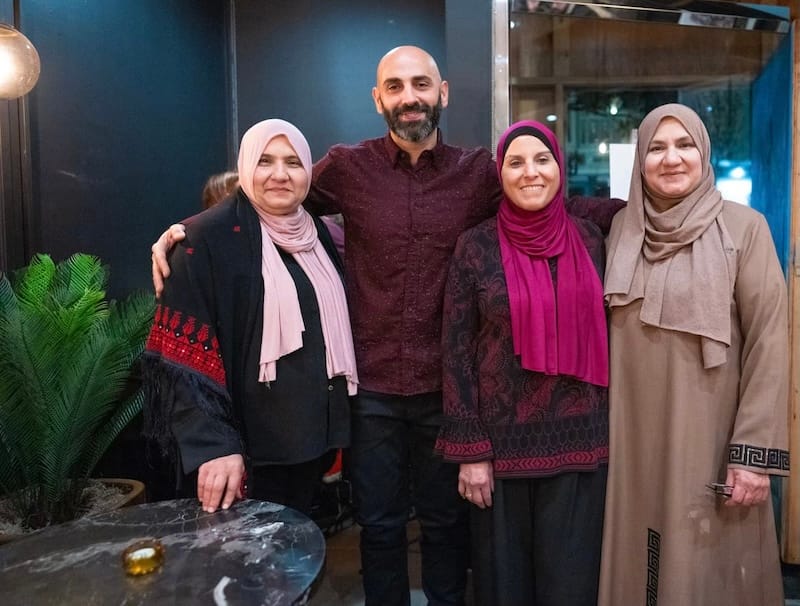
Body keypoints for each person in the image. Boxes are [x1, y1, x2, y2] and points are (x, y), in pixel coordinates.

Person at [599, 103, 789, 606]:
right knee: (640, 559)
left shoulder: (744, 229)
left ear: (704, 154)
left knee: (706, 566)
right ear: (640, 160)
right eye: (657, 148)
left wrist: (751, 455)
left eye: (684, 145)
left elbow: (770, 343)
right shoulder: (621, 230)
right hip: (632, 441)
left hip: (710, 435)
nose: (672, 158)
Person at [435, 120, 621, 606]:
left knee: (572, 586)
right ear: (500, 173)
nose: (530, 172)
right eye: (516, 162)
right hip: (498, 454)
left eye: (542, 159)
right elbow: (455, 351)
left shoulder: (592, 239)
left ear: (560, 167)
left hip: (581, 446)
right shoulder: (475, 245)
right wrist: (470, 450)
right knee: (504, 588)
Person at [142, 118, 356, 517]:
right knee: (242, 571)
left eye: (293, 163)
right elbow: (182, 357)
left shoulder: (316, 235)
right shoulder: (203, 239)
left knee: (291, 559)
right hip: (243, 454)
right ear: (245, 166)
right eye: (265, 161)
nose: (279, 174)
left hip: (309, 442)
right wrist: (216, 446)